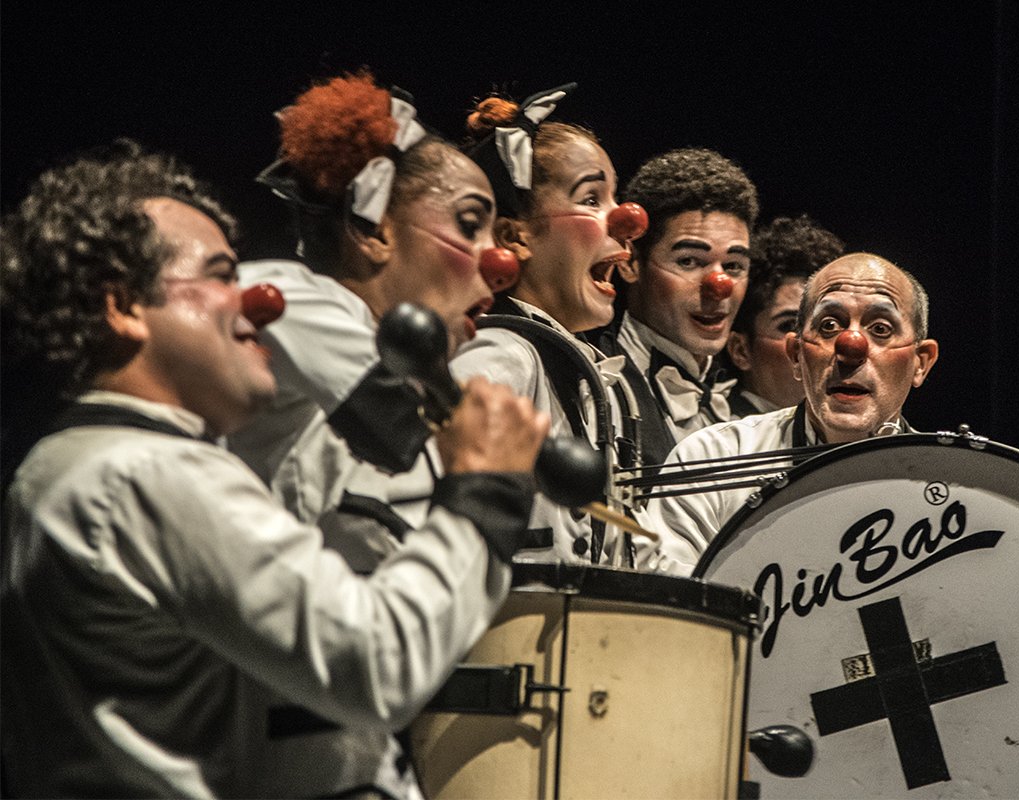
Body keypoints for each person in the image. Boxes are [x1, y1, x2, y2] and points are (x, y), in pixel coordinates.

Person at [0, 140, 548, 798]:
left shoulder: (78, 465)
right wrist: (483, 491)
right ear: (122, 305)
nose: (259, 302)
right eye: (220, 276)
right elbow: (379, 662)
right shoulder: (144, 474)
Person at [227, 71, 509, 571]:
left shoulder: (363, 368)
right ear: (376, 230)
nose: (500, 261)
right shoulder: (288, 298)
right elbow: (396, 433)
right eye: (469, 225)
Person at [638, 252, 939, 573]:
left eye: (880, 329)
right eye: (829, 325)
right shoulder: (710, 460)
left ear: (920, 363)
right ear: (796, 355)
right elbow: (672, 595)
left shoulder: (953, 486)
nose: (851, 347)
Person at [450, 84, 645, 564]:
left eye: (615, 197)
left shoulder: (589, 376)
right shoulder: (504, 354)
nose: (627, 220)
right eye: (592, 198)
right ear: (514, 237)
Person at [593, 147, 759, 470]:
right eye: (689, 261)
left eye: (734, 266)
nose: (719, 286)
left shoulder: (743, 411)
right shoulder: (595, 387)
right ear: (630, 263)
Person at [725, 214, 844, 416]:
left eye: (828, 325)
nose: (815, 345)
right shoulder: (715, 434)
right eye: (789, 326)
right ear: (740, 351)